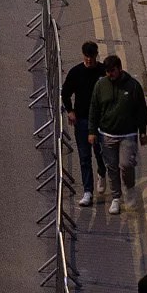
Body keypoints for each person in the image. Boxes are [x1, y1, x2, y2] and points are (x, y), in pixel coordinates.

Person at [88, 53, 147, 215]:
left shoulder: (133, 86)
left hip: (128, 134)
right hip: (107, 134)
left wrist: (142, 132)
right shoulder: (100, 86)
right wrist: (92, 131)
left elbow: (141, 110)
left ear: (120, 69)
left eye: (112, 71)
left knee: (126, 165)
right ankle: (116, 198)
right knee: (112, 168)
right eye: (107, 72)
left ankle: (129, 189)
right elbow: (94, 109)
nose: (110, 74)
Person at [60, 39, 106, 205]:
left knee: (100, 152)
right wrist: (70, 110)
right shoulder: (76, 72)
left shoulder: (103, 71)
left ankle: (102, 171)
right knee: (84, 156)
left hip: (100, 121)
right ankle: (88, 191)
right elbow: (65, 93)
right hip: (82, 119)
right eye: (86, 57)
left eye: (91, 57)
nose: (89, 60)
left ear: (96, 56)